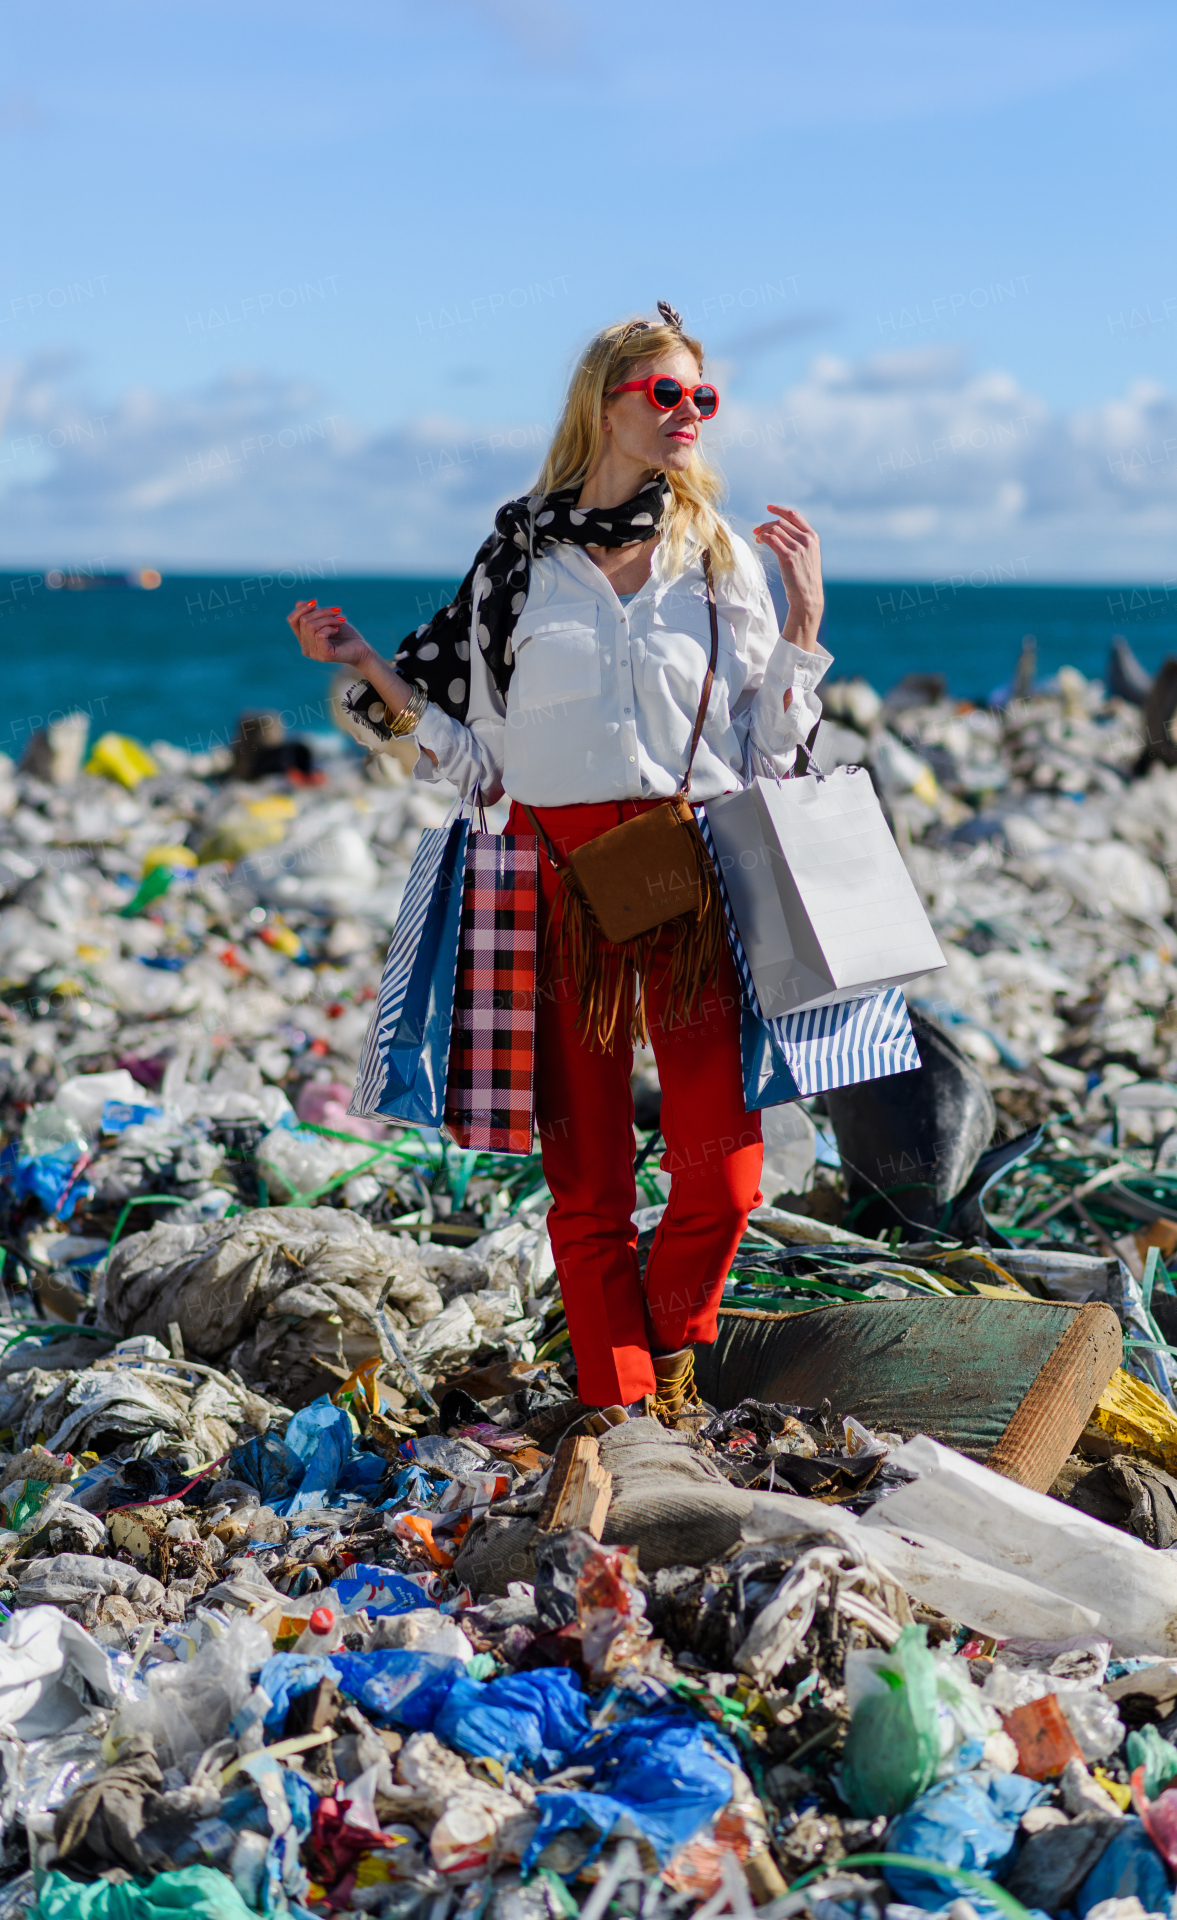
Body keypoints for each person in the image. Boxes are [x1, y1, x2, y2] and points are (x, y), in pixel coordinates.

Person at [288, 303, 830, 1432]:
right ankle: (619, 1403)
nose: (688, 416)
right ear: (605, 404)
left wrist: (802, 630)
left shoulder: (717, 558)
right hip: (545, 878)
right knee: (585, 1182)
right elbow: (472, 763)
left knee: (722, 1172)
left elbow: (769, 755)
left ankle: (671, 1345)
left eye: (702, 398)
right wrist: (364, 669)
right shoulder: (514, 565)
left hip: (688, 874)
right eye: (665, 395)